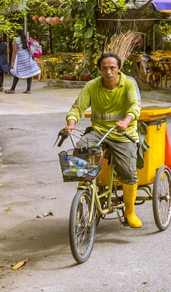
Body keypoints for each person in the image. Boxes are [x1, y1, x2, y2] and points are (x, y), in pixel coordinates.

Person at [62, 52, 144, 227]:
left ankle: (130, 212)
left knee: (128, 173)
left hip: (123, 134)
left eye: (112, 68)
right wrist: (70, 124)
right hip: (99, 131)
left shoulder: (129, 83)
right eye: (104, 68)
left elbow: (135, 106)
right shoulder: (92, 85)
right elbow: (77, 108)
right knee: (81, 147)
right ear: (99, 69)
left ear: (119, 68)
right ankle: (85, 188)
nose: (108, 71)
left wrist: (126, 122)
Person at [7, 27, 41, 93]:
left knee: (16, 72)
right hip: (28, 58)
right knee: (29, 73)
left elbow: (14, 52)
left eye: (14, 31)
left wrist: (12, 62)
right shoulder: (27, 39)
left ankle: (12, 89)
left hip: (21, 58)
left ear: (17, 33)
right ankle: (28, 89)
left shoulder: (15, 40)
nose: (14, 32)